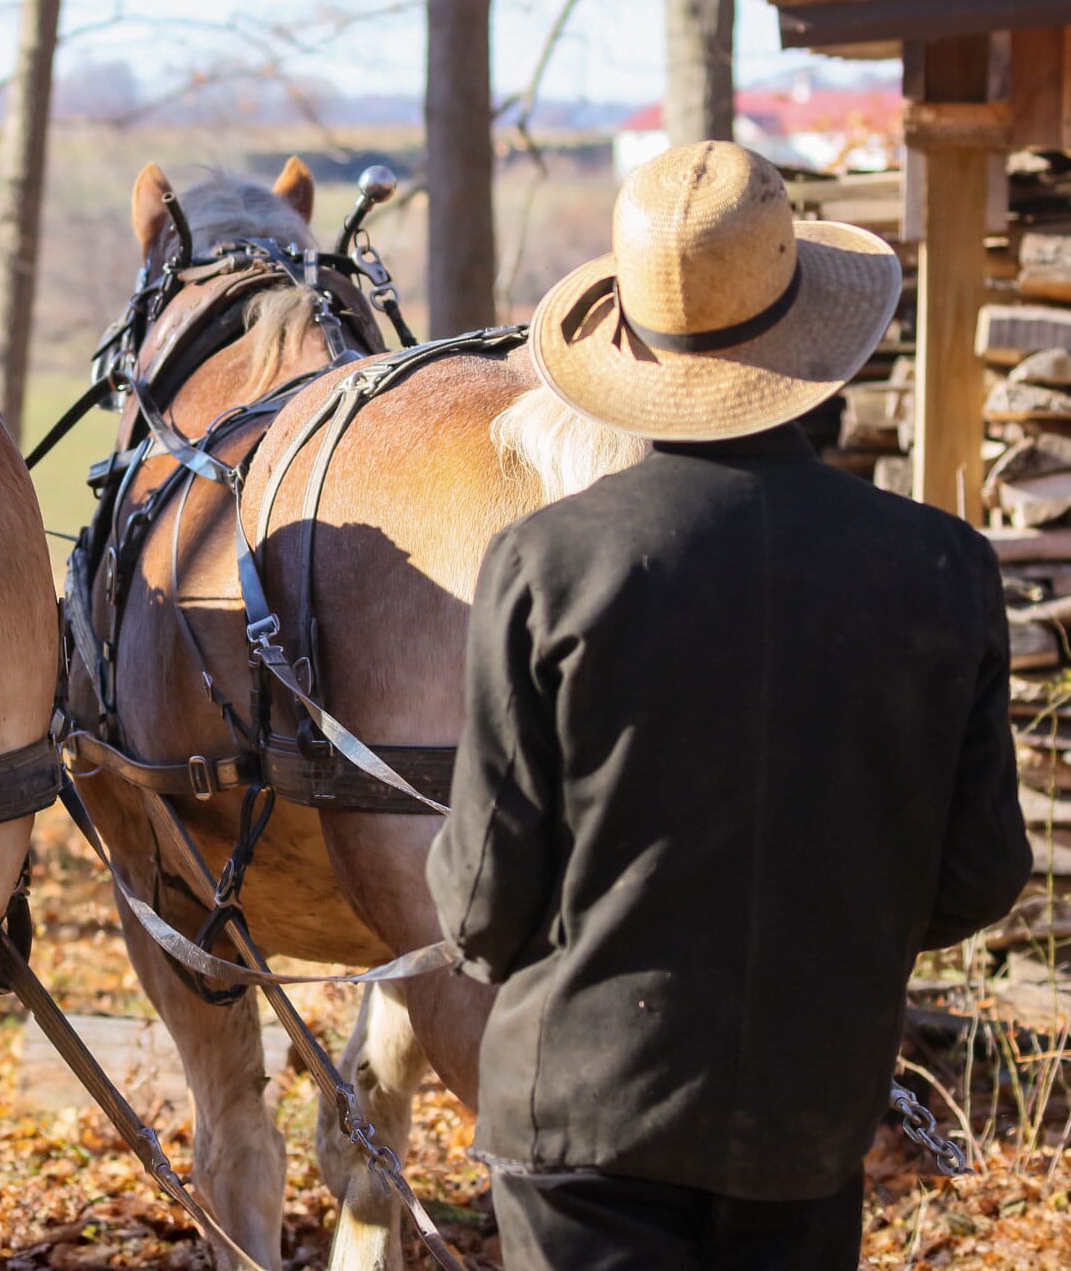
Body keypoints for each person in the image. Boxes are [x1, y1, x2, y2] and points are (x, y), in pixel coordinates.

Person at [425, 140, 1032, 1271]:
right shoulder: (944, 567)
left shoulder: (550, 563)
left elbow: (481, 904)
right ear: (813, 340)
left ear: (634, 347)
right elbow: (979, 875)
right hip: (807, 1123)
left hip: (582, 1119)